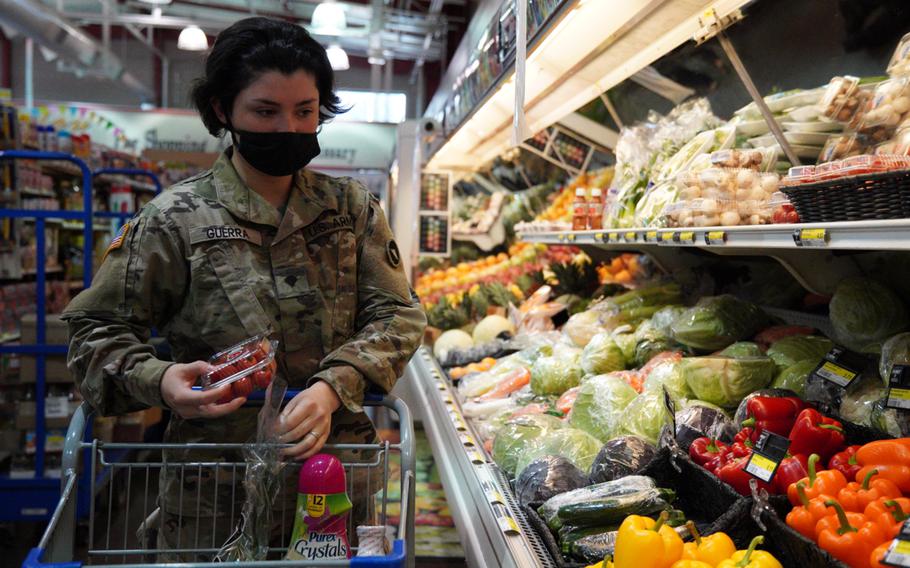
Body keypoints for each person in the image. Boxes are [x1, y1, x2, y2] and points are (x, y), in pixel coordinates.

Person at [62, 17, 426, 559]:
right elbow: (95, 333)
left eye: (305, 111)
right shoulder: (174, 219)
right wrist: (161, 381)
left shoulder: (351, 209)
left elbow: (398, 315)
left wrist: (334, 385)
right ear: (221, 111)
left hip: (333, 486)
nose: (288, 128)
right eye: (265, 111)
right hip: (214, 494)